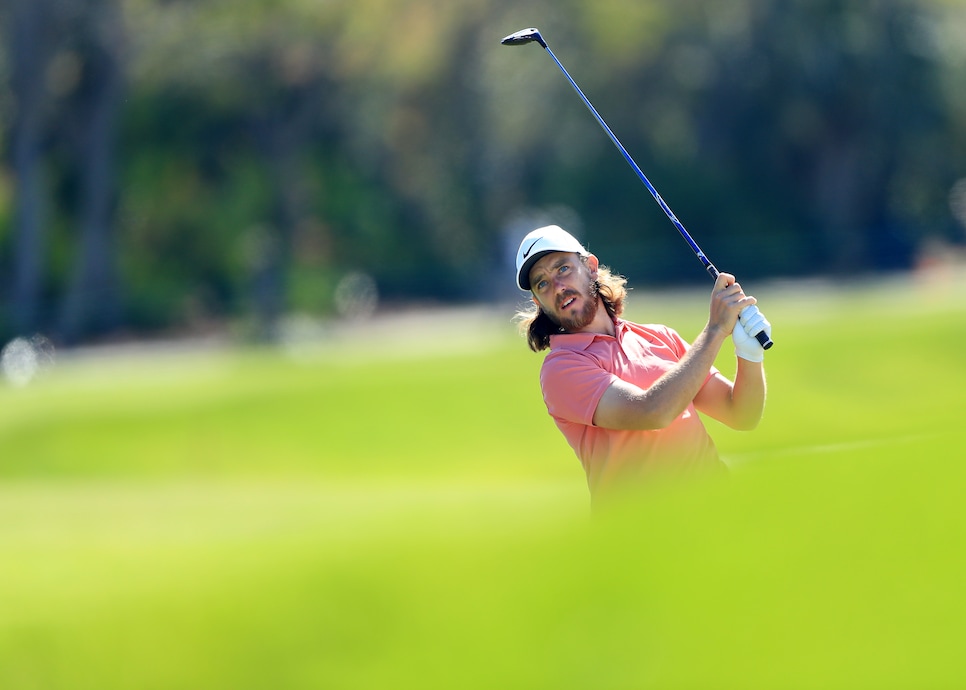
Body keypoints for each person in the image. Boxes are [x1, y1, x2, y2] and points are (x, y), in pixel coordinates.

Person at [514, 224, 769, 504]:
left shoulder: (659, 336)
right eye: (543, 283)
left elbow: (741, 414)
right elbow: (652, 412)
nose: (558, 287)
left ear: (590, 267)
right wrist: (715, 331)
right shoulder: (561, 369)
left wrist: (750, 356)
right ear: (539, 301)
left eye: (563, 268)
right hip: (644, 535)